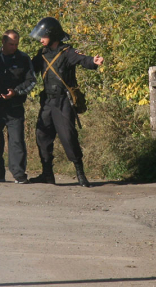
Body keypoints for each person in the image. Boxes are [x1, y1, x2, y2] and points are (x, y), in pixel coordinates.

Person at [29, 17, 104, 187]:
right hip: (47, 101)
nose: (40, 40)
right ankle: (47, 174)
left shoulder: (67, 52)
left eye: (43, 36)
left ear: (53, 35)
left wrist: (93, 61)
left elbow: (82, 59)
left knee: (68, 137)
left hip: (63, 102)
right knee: (42, 136)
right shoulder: (42, 54)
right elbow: (29, 69)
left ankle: (80, 173)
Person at [0, 29, 36, 184]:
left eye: (16, 44)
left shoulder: (24, 58)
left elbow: (31, 81)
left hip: (14, 106)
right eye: (11, 44)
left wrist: (16, 92)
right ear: (3, 42)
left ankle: (19, 173)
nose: (14, 47)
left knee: (16, 140)